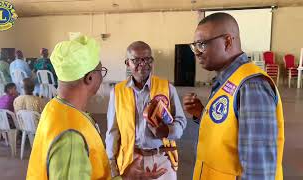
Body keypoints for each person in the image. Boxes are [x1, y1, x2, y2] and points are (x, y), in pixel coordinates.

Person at [27, 36, 167, 180]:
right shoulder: (71, 137)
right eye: (101, 71)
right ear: (89, 78)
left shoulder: (54, 108)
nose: (102, 78)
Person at [183, 13, 284, 180]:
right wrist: (202, 114)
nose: (197, 53)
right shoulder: (228, 80)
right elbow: (228, 131)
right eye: (195, 46)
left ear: (228, 41)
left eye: (202, 44)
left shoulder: (251, 85)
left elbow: (259, 170)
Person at [105, 41, 187, 180]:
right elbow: (113, 131)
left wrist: (167, 131)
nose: (142, 63)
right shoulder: (117, 92)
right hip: (131, 160)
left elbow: (181, 121)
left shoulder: (167, 87)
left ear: (152, 61)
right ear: (127, 63)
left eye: (147, 59)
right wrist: (112, 164)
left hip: (162, 159)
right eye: (136, 60)